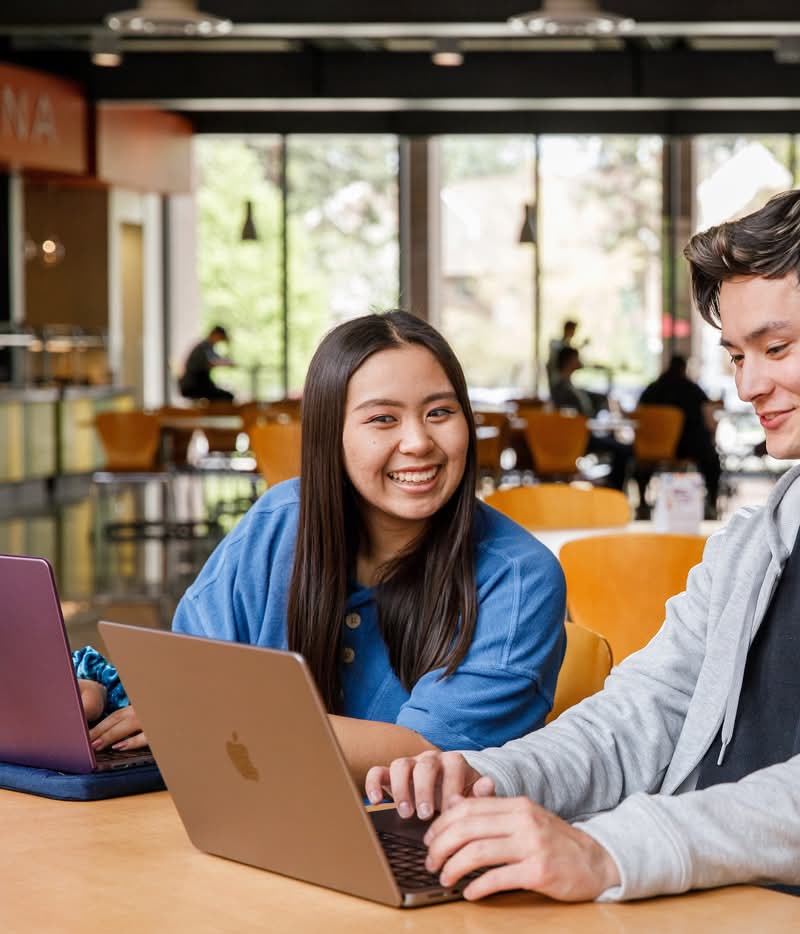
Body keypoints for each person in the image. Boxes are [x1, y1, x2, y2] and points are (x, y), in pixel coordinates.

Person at [367, 187, 800, 934]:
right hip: (702, 920)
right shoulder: (759, 536)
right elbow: (642, 713)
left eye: (776, 348)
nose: (748, 385)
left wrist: (612, 848)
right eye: (736, 355)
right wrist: (491, 776)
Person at [79, 310, 568, 777]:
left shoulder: (520, 578)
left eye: (440, 411)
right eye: (382, 419)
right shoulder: (279, 523)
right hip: (252, 824)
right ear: (329, 436)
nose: (419, 441)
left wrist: (212, 718)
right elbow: (187, 678)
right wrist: (103, 695)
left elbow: (426, 759)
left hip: (416, 846)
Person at [636, 354, 723, 518]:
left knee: (639, 463)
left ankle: (642, 502)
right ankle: (711, 502)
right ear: (684, 369)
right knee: (712, 461)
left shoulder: (652, 389)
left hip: (654, 447)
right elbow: (708, 412)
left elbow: (638, 413)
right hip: (688, 446)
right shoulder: (691, 388)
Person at [549, 344, 631, 493]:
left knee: (621, 447)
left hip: (580, 436)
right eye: (577, 358)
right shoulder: (561, 388)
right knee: (623, 450)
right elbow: (572, 418)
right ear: (569, 361)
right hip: (574, 439)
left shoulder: (571, 386)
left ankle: (611, 489)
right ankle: (614, 492)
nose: (580, 362)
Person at [179, 325, 235, 402]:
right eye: (220, 337)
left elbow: (217, 359)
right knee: (226, 397)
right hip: (194, 385)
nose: (219, 341)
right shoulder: (204, 347)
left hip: (200, 383)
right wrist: (227, 363)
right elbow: (211, 362)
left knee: (226, 396)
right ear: (215, 334)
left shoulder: (208, 347)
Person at [545, 318, 584, 389]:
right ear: (567, 329)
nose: (573, 333)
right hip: (557, 382)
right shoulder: (555, 344)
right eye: (572, 330)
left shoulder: (566, 345)